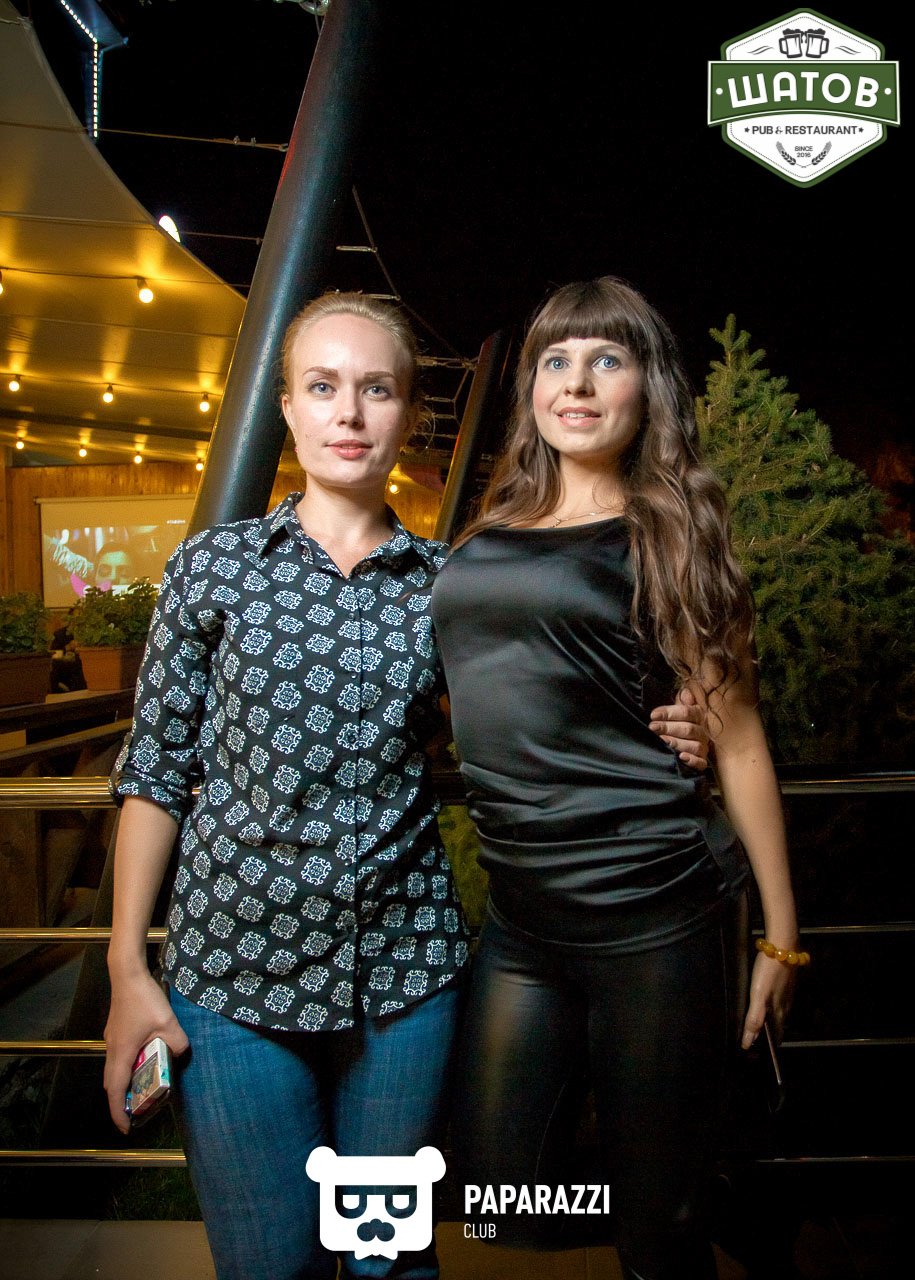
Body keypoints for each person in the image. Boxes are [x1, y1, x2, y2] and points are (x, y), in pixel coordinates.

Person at [103, 290, 711, 1280]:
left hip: (404, 982)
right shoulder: (212, 569)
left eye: (376, 389)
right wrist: (128, 969)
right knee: (270, 1264)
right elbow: (156, 770)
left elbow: (545, 706)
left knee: (388, 1260)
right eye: (322, 387)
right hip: (230, 979)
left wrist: (682, 725)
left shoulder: (451, 582)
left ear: (408, 414)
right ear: (287, 408)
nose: (348, 412)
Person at [431, 277, 803, 1280]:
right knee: (501, 1195)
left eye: (607, 359)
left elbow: (739, 740)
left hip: (658, 912)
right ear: (530, 388)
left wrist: (780, 936)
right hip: (522, 918)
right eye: (555, 360)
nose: (577, 382)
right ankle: (699, 1188)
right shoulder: (484, 529)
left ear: (648, 387)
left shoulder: (669, 529)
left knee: (656, 1243)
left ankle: (679, 1198)